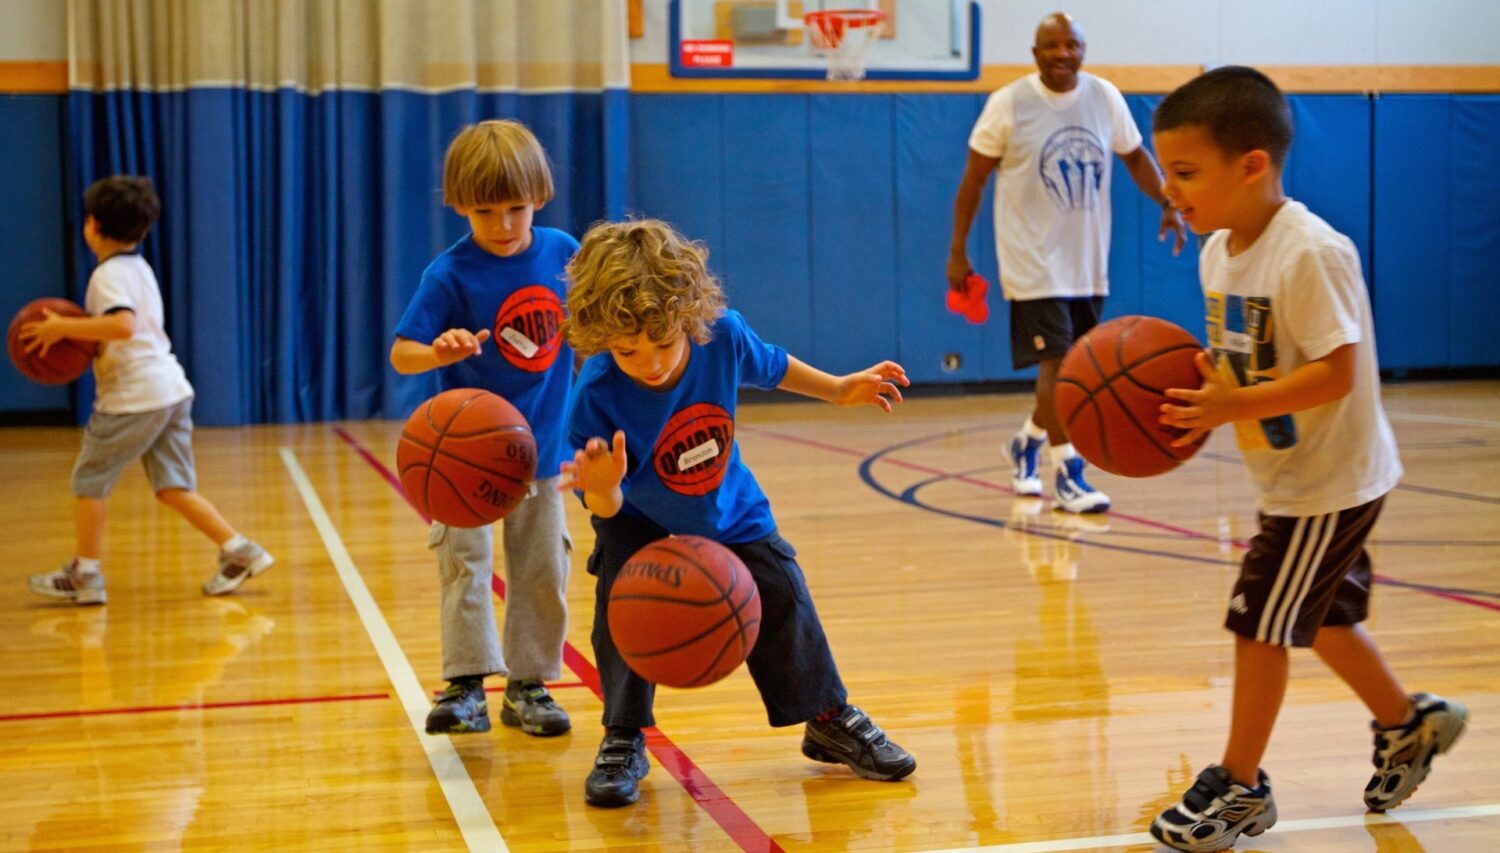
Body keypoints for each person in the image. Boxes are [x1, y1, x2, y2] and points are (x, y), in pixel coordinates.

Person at [1147, 66, 1467, 851]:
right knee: (1320, 616)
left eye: (1187, 173)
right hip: (1293, 472)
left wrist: (1231, 406)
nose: (1172, 190)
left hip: (1331, 479)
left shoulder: (1311, 252)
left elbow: (1337, 372)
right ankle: (1409, 723)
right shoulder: (1218, 252)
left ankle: (1241, 787)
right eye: (1167, 174)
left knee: (1260, 621)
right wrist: (1204, 403)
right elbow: (1246, 360)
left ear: (1252, 164)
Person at [560, 218, 916, 808]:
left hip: (724, 500)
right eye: (627, 350)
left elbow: (773, 366)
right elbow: (603, 504)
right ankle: (622, 733)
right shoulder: (595, 395)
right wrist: (605, 489)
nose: (647, 362)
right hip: (634, 510)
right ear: (599, 340)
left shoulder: (720, 337)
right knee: (624, 606)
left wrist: (839, 389)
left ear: (689, 318)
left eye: (663, 343)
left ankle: (826, 717)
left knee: (781, 587)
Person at [946, 11, 1186, 513]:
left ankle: (1027, 444)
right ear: (1035, 54)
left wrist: (1168, 201)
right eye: (1051, 46)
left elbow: (1137, 157)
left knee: (1073, 372)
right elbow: (973, 180)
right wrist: (958, 251)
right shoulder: (1009, 103)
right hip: (1031, 260)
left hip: (1086, 261)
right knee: (1058, 364)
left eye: (1071, 45)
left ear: (1083, 49)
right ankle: (1069, 474)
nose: (1063, 54)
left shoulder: (1103, 97)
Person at [391, 119, 575, 738]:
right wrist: (439, 352)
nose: (502, 225)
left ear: (540, 199)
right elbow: (402, 354)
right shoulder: (450, 273)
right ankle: (465, 683)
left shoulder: (564, 255)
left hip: (543, 450)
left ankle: (530, 685)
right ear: (459, 206)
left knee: (542, 569)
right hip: (462, 461)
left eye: (515, 208)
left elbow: (595, 332)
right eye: (484, 210)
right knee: (464, 565)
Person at [24, 175, 273, 604]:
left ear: (93, 225)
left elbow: (122, 325)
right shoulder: (138, 267)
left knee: (89, 481)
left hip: (134, 397)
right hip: (170, 389)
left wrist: (62, 327)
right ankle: (240, 551)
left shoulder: (107, 276)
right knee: (173, 486)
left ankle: (85, 573)